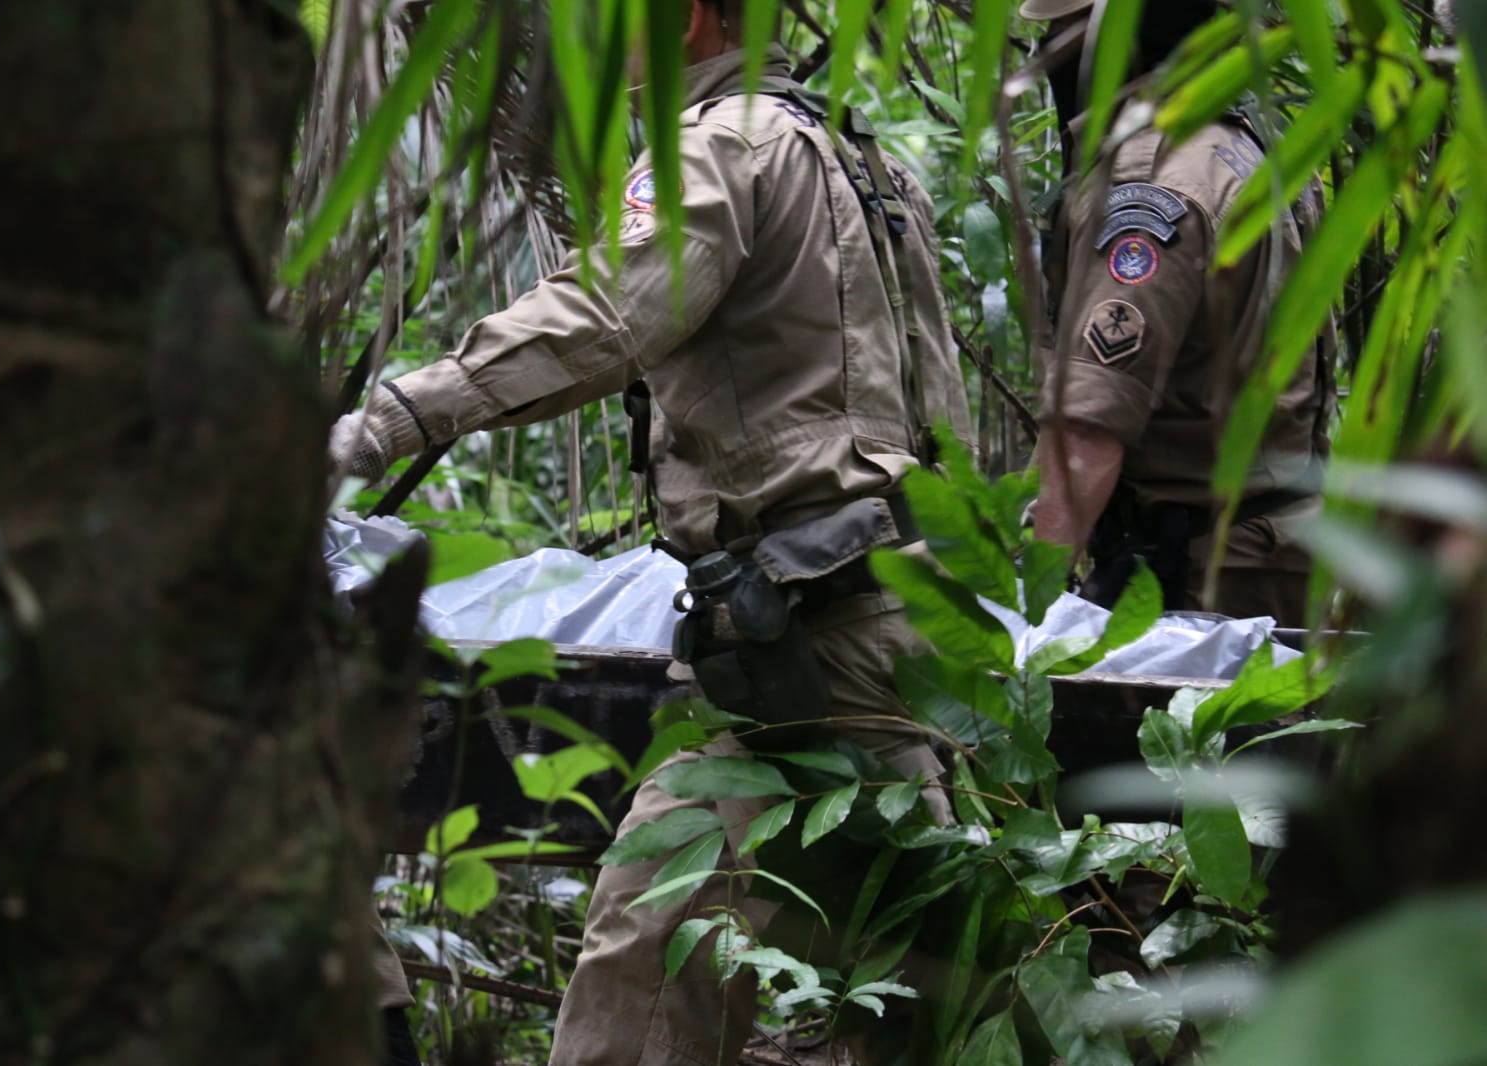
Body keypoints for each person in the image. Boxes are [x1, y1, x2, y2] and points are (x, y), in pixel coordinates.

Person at [329, 1, 973, 1061]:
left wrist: (391, 420)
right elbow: (934, 412)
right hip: (863, 617)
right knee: (759, 965)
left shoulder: (718, 146)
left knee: (724, 979)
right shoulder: (859, 161)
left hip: (809, 639)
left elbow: (610, 315)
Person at [1024, 0, 1336, 627]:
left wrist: (1021, 611)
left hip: (1196, 581)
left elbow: (1089, 429)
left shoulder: (1153, 180)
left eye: (1060, 35)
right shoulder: (1255, 154)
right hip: (1275, 557)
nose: (1046, 57)